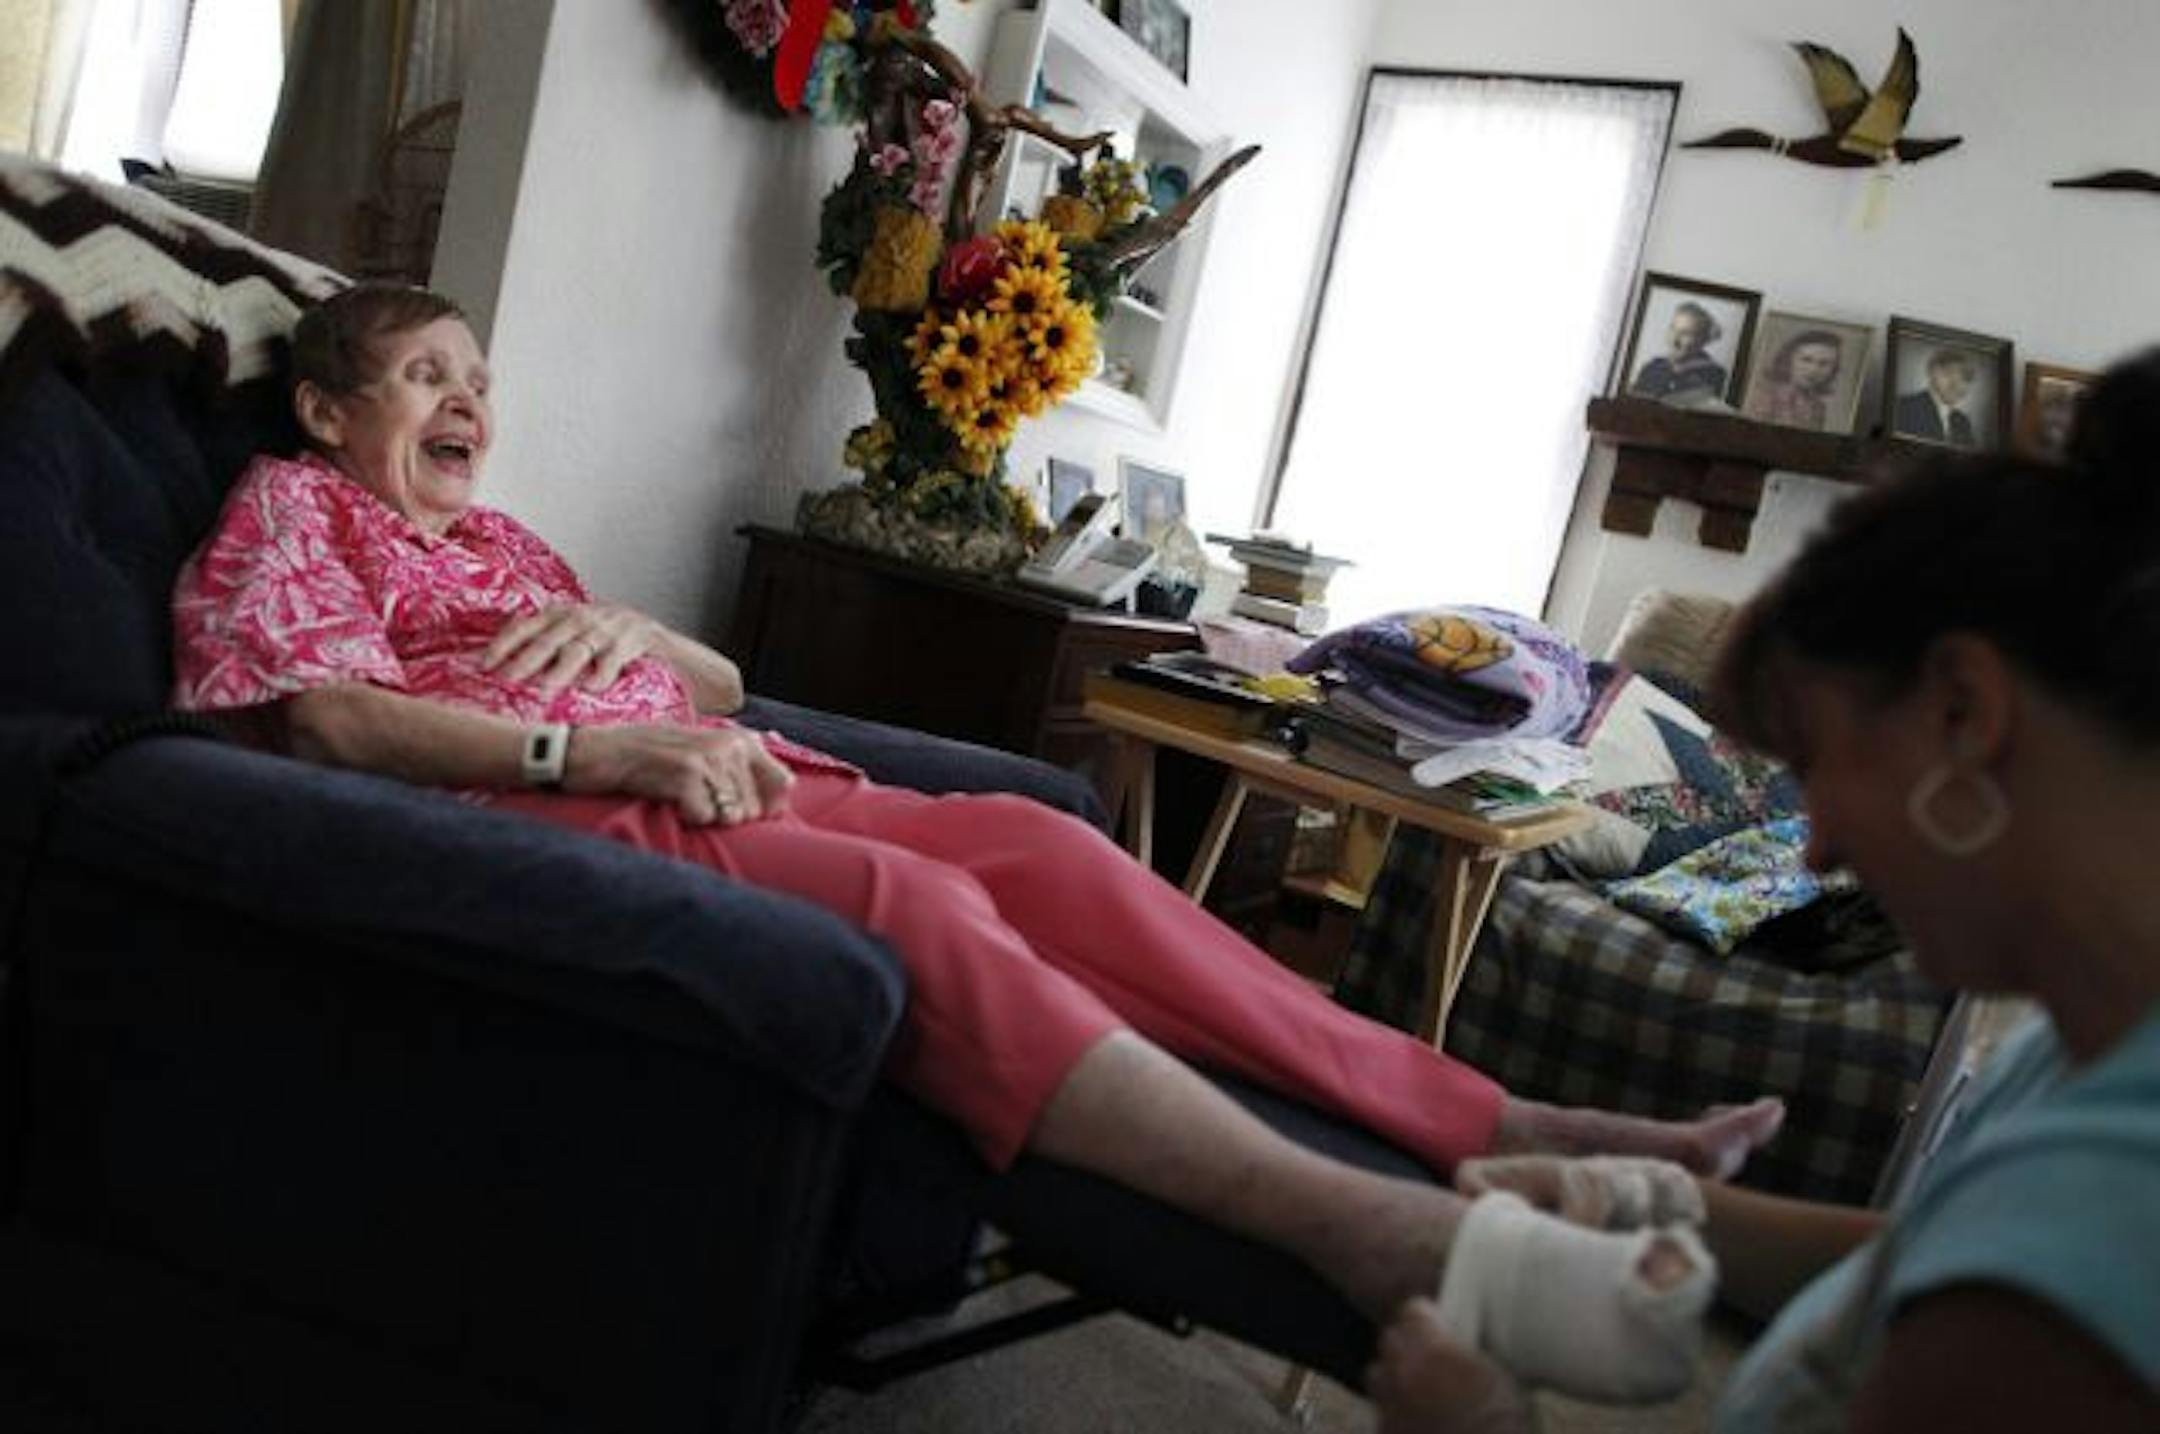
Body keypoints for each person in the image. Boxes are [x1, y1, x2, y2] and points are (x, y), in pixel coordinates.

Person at [171, 284, 1787, 1400]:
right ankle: (1363, 1222)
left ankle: (1499, 1114)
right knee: (907, 899)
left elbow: (728, 677)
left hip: (728, 753)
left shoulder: (504, 538)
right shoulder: (293, 511)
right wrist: (588, 735)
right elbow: (317, 715)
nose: (470, 399)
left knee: (1042, 842)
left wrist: (628, 627)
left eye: (477, 371)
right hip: (542, 812)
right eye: (424, 374)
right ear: (324, 407)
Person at [1367, 348, 2160, 1431]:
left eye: (1821, 766)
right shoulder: (2089, 1052)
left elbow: (2012, 1292)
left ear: (1966, 714)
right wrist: (1666, 1202)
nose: (1820, 847)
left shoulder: (2105, 1240)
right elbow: (1942, 1251)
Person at [1744, 329, 1846, 431]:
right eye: (1806, 360)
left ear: (1833, 369)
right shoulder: (1763, 396)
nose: (1813, 370)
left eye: (1824, 364)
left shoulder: (1818, 408)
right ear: (1788, 360)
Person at [1630, 301, 1729, 406]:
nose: (1674, 340)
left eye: (1686, 333)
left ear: (1702, 339)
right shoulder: (1652, 367)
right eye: (1673, 329)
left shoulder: (1712, 374)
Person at [1892, 346, 1980, 447]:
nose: (1957, 384)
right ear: (1931, 372)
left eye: (1965, 378)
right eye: (1949, 373)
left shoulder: (1963, 423)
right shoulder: (1903, 407)